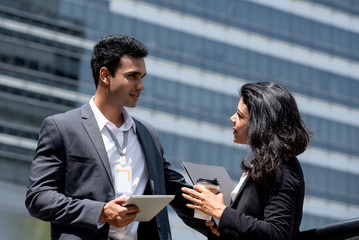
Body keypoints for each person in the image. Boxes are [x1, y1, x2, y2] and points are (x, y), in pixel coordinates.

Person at [25, 34, 207, 240]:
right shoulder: (62, 127)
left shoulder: (148, 135)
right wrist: (101, 212)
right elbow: (39, 198)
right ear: (105, 75)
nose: (141, 85)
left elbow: (179, 192)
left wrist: (221, 220)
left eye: (142, 77)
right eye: (132, 76)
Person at [182, 82, 311, 240]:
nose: (232, 118)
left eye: (240, 115)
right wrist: (224, 226)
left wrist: (220, 212)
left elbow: (277, 233)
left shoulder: (282, 166)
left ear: (260, 124)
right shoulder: (266, 164)